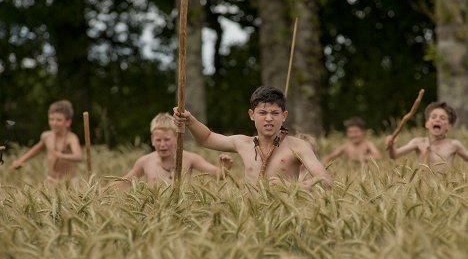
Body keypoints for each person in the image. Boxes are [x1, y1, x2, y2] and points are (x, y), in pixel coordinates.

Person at [173, 86, 332, 189]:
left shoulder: (298, 146)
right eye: (262, 113)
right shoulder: (242, 143)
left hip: (283, 218)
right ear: (251, 115)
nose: (269, 118)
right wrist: (190, 121)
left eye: (275, 113)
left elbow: (325, 180)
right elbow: (206, 138)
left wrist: (292, 188)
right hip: (251, 221)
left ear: (284, 116)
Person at [106, 113, 233, 190]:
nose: (162, 144)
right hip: (155, 215)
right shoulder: (145, 161)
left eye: (167, 139)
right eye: (158, 140)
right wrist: (100, 192)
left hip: (182, 213)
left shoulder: (190, 158)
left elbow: (217, 174)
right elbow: (125, 182)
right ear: (152, 140)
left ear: (177, 139)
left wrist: (224, 168)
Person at [9, 100, 82, 185]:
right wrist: (21, 161)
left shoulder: (71, 138)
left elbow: (78, 156)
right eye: (51, 119)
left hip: (69, 182)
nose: (54, 123)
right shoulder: (47, 136)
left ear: (68, 122)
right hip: (51, 180)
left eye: (59, 120)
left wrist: (61, 155)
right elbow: (36, 149)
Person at [386, 101, 468, 172]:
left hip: (445, 187)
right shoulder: (418, 142)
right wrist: (391, 146)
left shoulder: (454, 144)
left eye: (442, 118)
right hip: (424, 188)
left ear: (449, 126)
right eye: (433, 117)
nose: (437, 119)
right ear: (427, 123)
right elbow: (395, 155)